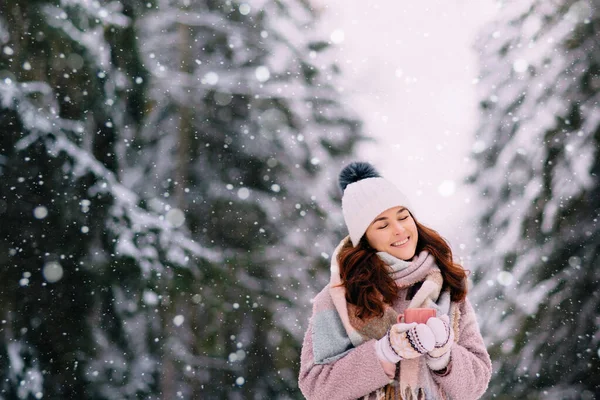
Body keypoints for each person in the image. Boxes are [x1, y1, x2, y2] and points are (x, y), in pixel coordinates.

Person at [298, 162, 491, 400]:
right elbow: (316, 387)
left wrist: (443, 355)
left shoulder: (446, 287)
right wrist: (383, 352)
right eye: (383, 225)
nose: (399, 229)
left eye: (403, 217)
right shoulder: (338, 296)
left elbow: (476, 383)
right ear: (365, 238)